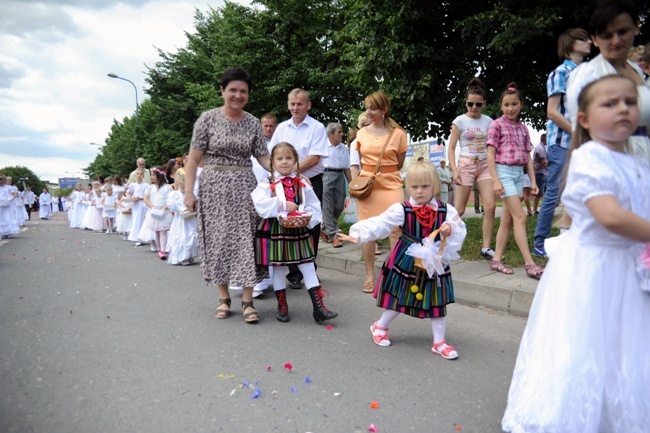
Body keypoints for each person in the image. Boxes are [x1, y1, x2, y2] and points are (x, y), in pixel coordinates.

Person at [503, 74, 650, 433]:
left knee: (624, 346)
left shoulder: (638, 161)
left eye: (629, 103)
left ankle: (615, 416)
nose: (623, 109)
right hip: (595, 268)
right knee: (587, 343)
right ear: (583, 119)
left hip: (629, 268)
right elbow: (608, 214)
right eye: (609, 103)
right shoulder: (588, 159)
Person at [338, 161, 466, 359]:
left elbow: (459, 228)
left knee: (437, 300)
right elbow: (381, 223)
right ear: (408, 187)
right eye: (414, 187)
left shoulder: (446, 210)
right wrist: (358, 234)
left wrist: (451, 229)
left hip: (434, 262)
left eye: (425, 186)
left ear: (435, 186)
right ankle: (380, 326)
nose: (420, 191)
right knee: (401, 297)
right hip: (407, 259)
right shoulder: (401, 209)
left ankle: (439, 342)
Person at [183, 67, 271, 324]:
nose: (238, 95)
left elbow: (263, 157)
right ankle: (223, 298)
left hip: (245, 187)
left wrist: (285, 171)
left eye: (243, 91)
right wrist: (189, 192)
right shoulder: (207, 120)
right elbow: (193, 161)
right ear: (222, 91)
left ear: (248, 94)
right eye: (232, 89)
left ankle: (247, 300)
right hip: (213, 189)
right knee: (218, 241)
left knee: (246, 240)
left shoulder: (253, 122)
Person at [252, 142, 337, 323]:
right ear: (272, 162)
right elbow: (259, 204)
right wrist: (282, 206)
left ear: (295, 161)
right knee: (279, 268)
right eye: (280, 158)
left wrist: (308, 219)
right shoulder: (267, 183)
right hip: (277, 229)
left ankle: (318, 308)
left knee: (307, 265)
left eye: (289, 158)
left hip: (298, 229)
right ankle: (282, 305)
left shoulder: (302, 183)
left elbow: (314, 205)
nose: (284, 162)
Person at [533, 28, 592, 258]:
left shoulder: (586, 74)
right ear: (569, 44)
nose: (589, 41)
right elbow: (552, 111)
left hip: (582, 143)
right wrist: (578, 131)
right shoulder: (561, 72)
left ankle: (570, 239)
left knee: (578, 192)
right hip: (562, 142)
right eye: (583, 38)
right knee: (555, 192)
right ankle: (540, 242)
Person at [567, 0, 649, 164]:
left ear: (636, 28)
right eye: (607, 35)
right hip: (610, 166)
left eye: (622, 31)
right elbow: (581, 134)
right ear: (595, 39)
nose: (616, 41)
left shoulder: (638, 71)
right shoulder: (587, 74)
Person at [268, 88, 329, 290]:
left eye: (300, 104)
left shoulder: (317, 127)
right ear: (288, 105)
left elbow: (315, 157)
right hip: (285, 184)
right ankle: (294, 272)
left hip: (310, 181)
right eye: (292, 104)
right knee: (288, 223)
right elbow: (272, 156)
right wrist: (284, 177)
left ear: (308, 105)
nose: (295, 108)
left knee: (310, 223)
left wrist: (293, 173)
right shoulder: (282, 128)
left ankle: (309, 266)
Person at [486, 83, 544, 279]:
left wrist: (533, 181)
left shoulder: (524, 129)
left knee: (508, 218)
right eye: (506, 105)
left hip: (519, 174)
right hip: (503, 173)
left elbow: (528, 158)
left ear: (521, 105)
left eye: (514, 104)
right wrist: (495, 180)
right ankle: (529, 263)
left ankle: (497, 259)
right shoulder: (496, 125)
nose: (510, 108)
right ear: (501, 106)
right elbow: (490, 154)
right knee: (521, 217)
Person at [353, 91, 408, 293]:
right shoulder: (361, 133)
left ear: (384, 110)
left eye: (373, 108)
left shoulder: (399, 134)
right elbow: (359, 160)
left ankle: (394, 274)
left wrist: (385, 171)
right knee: (368, 231)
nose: (368, 111)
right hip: (368, 185)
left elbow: (399, 163)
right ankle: (369, 276)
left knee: (396, 229)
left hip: (391, 183)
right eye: (367, 107)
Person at [447, 78, 497, 259]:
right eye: (470, 103)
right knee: (459, 209)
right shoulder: (459, 121)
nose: (474, 107)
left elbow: (492, 147)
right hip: (466, 164)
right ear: (465, 102)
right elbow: (451, 148)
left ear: (484, 104)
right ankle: (443, 241)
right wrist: (454, 170)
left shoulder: (489, 121)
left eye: (478, 104)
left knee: (490, 206)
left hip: (485, 165)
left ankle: (486, 247)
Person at [321, 122, 351, 247]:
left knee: (339, 205)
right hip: (326, 175)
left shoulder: (344, 148)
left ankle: (323, 227)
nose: (342, 134)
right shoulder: (322, 146)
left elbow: (347, 167)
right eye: (339, 132)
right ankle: (334, 236)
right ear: (331, 134)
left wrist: (351, 183)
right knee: (327, 206)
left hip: (340, 176)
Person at [165, 171, 198, 265]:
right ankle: (181, 257)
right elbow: (174, 205)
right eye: (183, 187)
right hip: (180, 220)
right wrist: (183, 209)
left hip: (190, 218)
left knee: (190, 235)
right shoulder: (175, 195)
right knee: (181, 235)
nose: (184, 189)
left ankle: (189, 255)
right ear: (179, 185)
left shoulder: (191, 194)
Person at [143, 167, 173, 259]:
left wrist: (164, 208)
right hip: (154, 211)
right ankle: (159, 248)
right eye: (151, 175)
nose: (152, 177)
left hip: (164, 212)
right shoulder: (151, 188)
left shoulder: (168, 187)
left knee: (163, 231)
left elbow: (170, 199)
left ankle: (163, 250)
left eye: (153, 175)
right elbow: (146, 198)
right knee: (157, 231)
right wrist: (152, 207)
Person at [126, 168, 149, 245]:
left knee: (141, 220)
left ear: (143, 176)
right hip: (136, 205)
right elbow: (127, 192)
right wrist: (130, 198)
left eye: (141, 174)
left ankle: (141, 237)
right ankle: (136, 237)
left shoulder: (146, 185)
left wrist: (140, 198)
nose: (139, 176)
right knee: (135, 220)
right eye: (137, 174)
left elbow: (147, 195)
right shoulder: (133, 185)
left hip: (142, 204)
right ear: (135, 175)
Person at [532, 133, 548, 215]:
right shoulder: (540, 148)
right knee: (538, 193)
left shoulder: (541, 147)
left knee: (540, 193)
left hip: (541, 173)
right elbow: (544, 163)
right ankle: (535, 210)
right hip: (540, 173)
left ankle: (535, 210)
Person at [0, 175, 20, 239]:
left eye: (2, 181)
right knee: (2, 219)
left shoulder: (9, 187)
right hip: (1, 206)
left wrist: (9, 200)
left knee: (8, 218)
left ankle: (9, 232)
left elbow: (15, 194)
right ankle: (4, 232)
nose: (1, 182)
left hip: (8, 205)